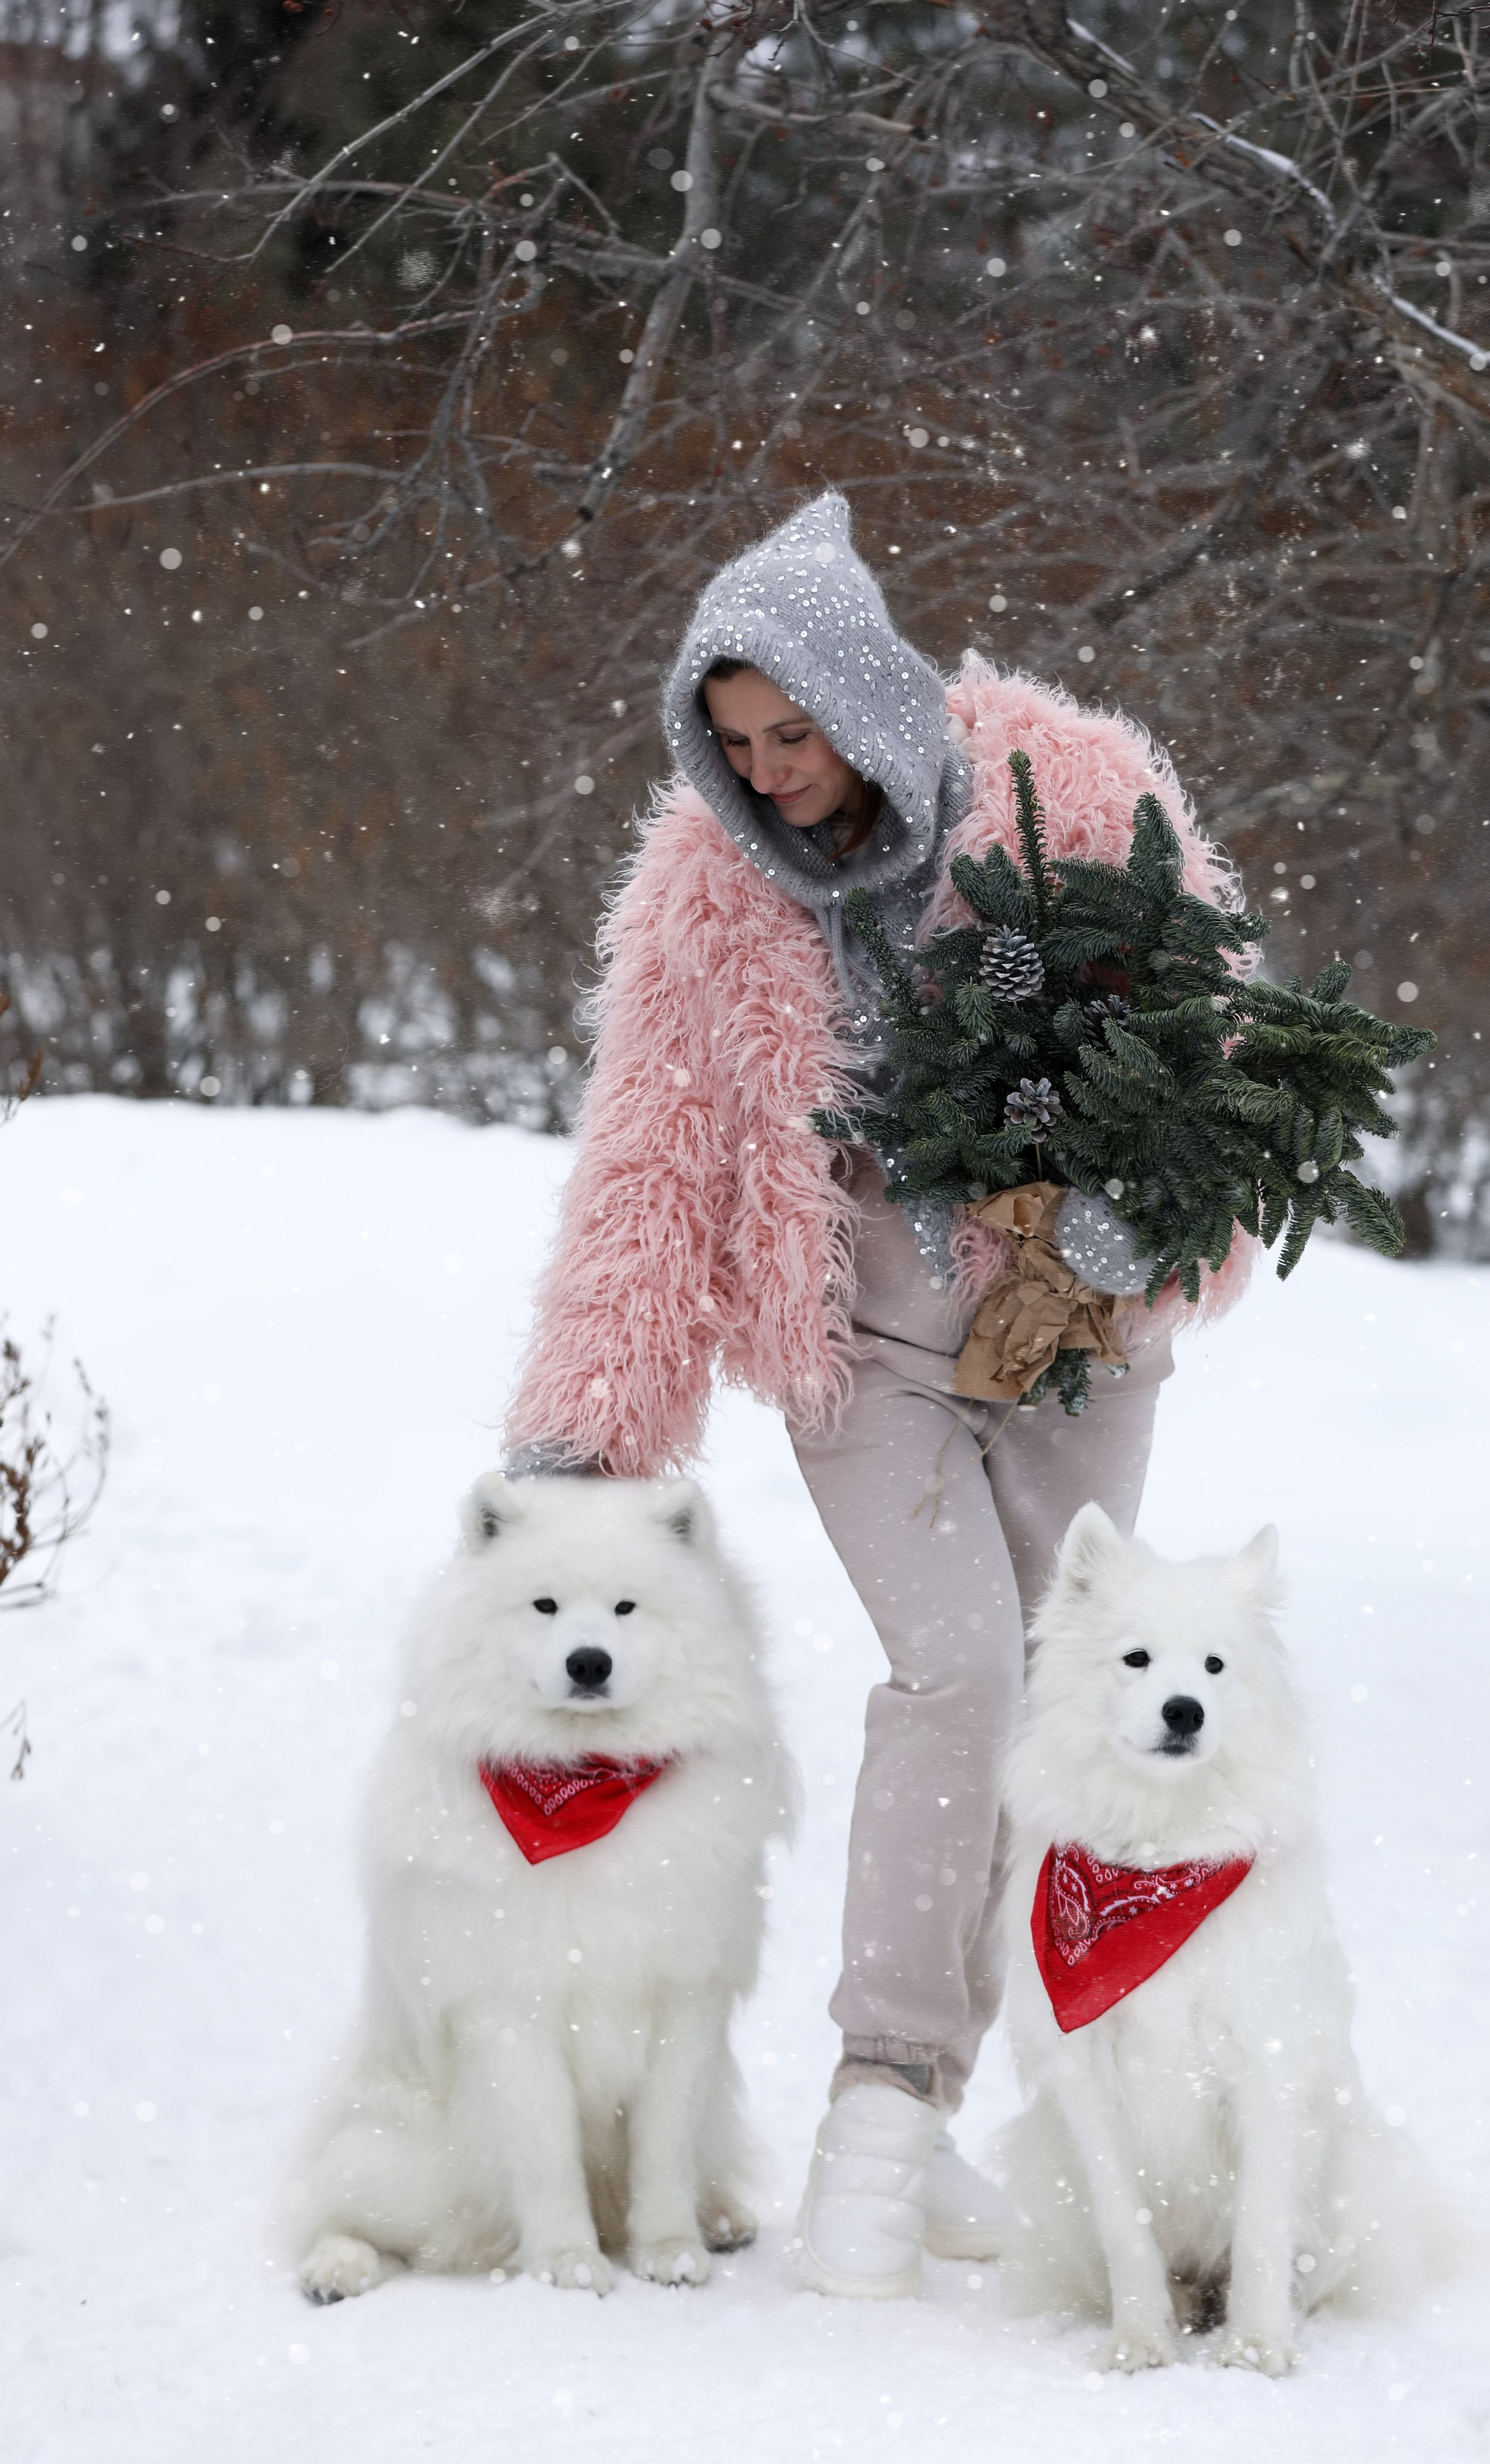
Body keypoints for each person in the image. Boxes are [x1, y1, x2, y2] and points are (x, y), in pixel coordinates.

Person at [503, 492, 1250, 2297]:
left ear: (871, 699)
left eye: (795, 736)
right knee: (959, 1670)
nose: (771, 779)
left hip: (1070, 1323)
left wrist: (1117, 1213)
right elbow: (653, 1161)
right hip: (858, 1342)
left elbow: (1212, 1044)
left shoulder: (1066, 791)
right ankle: (881, 2100)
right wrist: (584, 1425)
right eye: (737, 749)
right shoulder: (708, 886)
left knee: (1053, 1695)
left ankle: (946, 2116)